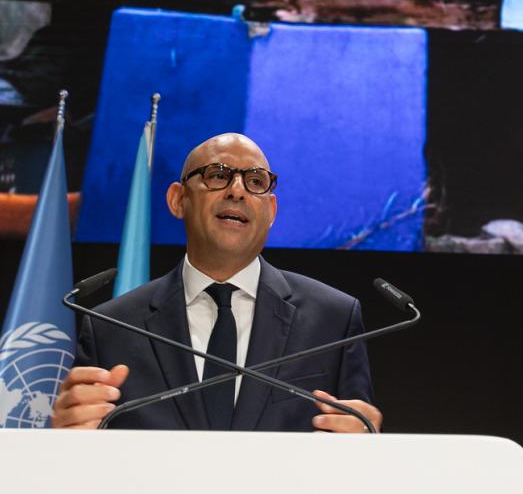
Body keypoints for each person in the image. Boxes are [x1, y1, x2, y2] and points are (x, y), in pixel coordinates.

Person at [52, 133, 382, 432]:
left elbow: (354, 455)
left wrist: (366, 445)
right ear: (177, 200)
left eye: (255, 181)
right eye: (218, 175)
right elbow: (82, 462)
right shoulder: (112, 326)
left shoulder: (333, 320)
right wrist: (69, 436)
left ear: (271, 211)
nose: (237, 191)